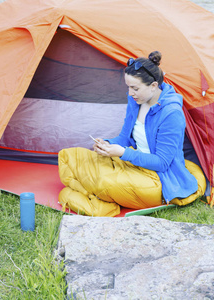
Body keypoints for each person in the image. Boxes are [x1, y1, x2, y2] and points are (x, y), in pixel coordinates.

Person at [58, 51, 205, 217]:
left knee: (105, 182)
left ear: (153, 86)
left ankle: (94, 197)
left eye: (135, 88)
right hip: (134, 162)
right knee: (68, 156)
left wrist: (122, 153)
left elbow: (162, 163)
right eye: (128, 87)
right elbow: (125, 138)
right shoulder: (137, 101)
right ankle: (94, 194)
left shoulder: (171, 113)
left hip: (160, 178)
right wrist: (107, 144)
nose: (130, 93)